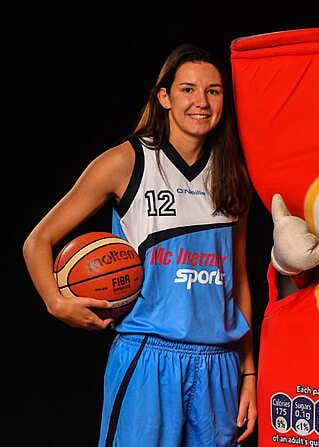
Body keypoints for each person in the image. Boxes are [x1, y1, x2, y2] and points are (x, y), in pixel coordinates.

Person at [23, 44, 257, 446]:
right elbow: (37, 240)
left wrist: (248, 372)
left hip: (219, 363)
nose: (201, 101)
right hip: (149, 355)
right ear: (164, 97)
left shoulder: (231, 173)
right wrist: (55, 301)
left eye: (214, 91)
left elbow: (238, 281)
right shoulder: (128, 161)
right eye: (188, 89)